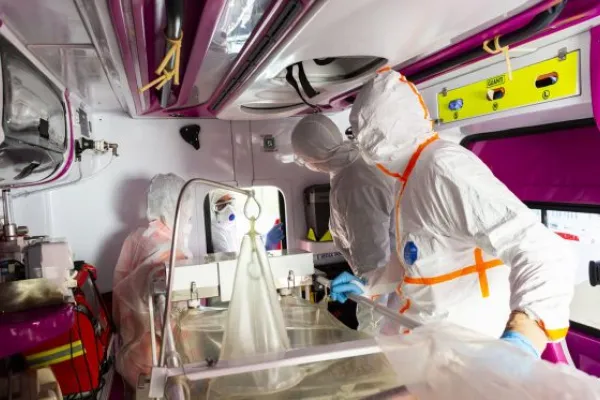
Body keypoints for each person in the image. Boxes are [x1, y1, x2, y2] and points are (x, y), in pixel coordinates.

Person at [329, 70, 575, 357]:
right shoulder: (408, 178)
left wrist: (523, 340)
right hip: (428, 349)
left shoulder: (442, 168)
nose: (361, 143)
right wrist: (368, 284)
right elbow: (417, 261)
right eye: (357, 133)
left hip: (468, 356)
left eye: (365, 133)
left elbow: (541, 250)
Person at [291, 114, 398, 332]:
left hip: (387, 290)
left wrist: (368, 326)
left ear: (313, 158)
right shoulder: (350, 165)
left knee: (378, 340)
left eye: (303, 159)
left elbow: (375, 261)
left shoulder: (356, 183)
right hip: (384, 279)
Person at [113, 173, 193, 388]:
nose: (188, 218)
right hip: (156, 358)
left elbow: (119, 285)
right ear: (176, 208)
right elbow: (178, 317)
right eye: (187, 212)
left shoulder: (137, 236)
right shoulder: (172, 250)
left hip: (131, 350)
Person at [210, 189, 285, 253]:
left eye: (230, 202)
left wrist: (262, 240)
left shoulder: (230, 226)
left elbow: (240, 251)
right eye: (221, 205)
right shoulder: (215, 234)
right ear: (212, 209)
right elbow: (231, 263)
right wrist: (266, 247)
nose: (229, 208)